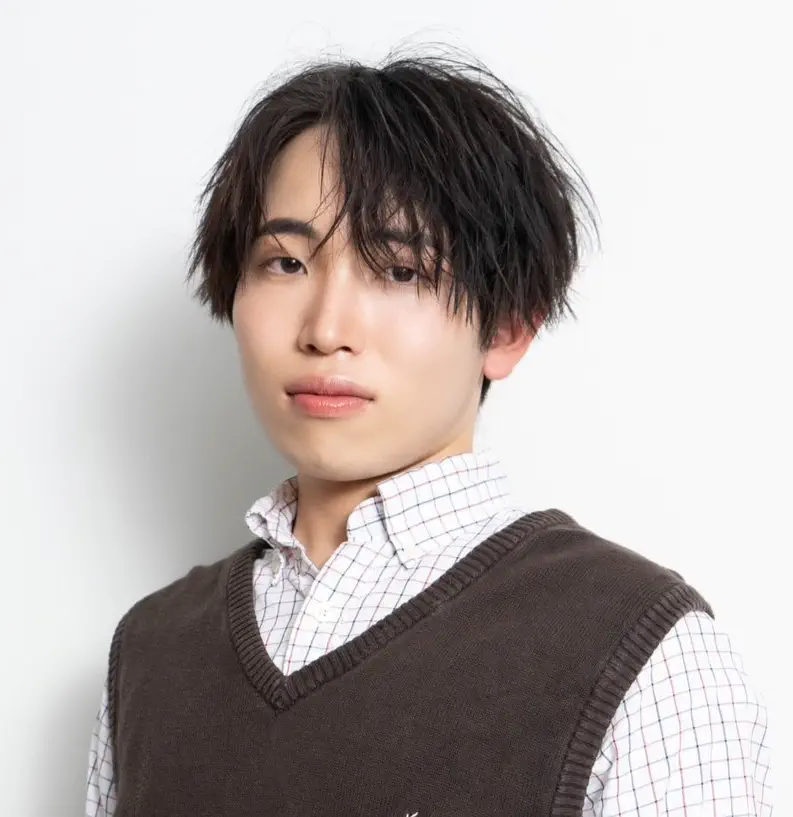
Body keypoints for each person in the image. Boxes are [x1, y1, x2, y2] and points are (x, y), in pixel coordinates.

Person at [85, 46, 773, 816]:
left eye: (399, 270)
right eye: (285, 263)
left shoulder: (640, 649)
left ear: (506, 327)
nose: (325, 329)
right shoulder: (150, 651)